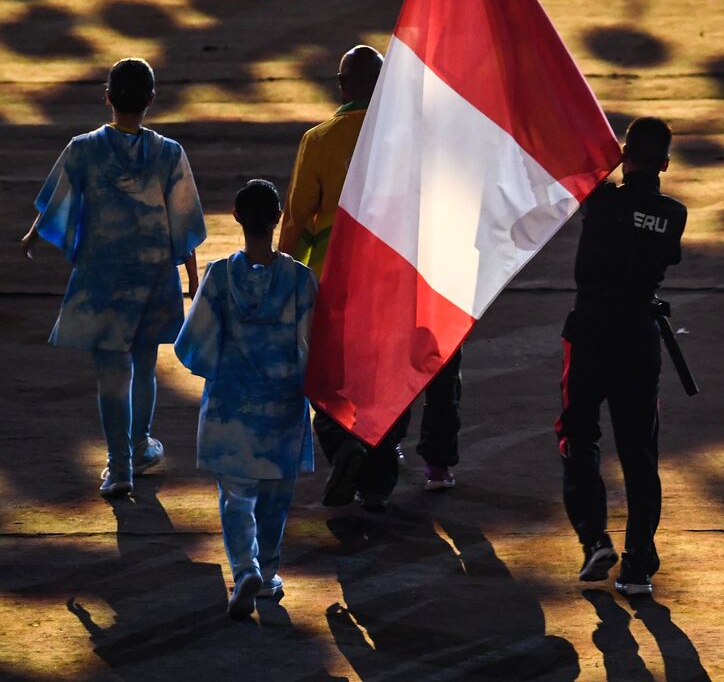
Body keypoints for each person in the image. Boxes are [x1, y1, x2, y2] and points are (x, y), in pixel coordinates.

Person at [279, 45, 462, 504]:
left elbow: (298, 221)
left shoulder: (319, 141)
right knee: (391, 384)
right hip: (401, 286)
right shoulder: (416, 140)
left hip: (338, 288)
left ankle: (345, 448)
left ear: (342, 86)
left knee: (329, 383)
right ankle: (378, 479)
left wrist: (283, 275)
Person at [19, 58, 206, 498]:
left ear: (107, 97)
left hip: (102, 279)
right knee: (144, 366)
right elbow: (184, 222)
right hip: (153, 274)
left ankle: (118, 466)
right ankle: (140, 446)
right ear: (151, 101)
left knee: (110, 374)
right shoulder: (169, 153)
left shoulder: (84, 148)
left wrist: (32, 235)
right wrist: (193, 276)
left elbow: (56, 203)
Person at [175, 180, 317, 619]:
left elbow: (193, 343)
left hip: (231, 405)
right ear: (278, 219)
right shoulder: (300, 279)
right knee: (276, 496)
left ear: (236, 217)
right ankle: (269, 571)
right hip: (283, 405)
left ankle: (245, 566)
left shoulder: (219, 276)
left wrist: (220, 369)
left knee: (236, 495)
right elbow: (312, 346)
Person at [556, 117, 686, 597]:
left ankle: (594, 538)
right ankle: (638, 566)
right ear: (666, 164)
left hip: (589, 331)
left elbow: (581, 162)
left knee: (578, 435)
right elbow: (665, 254)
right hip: (638, 337)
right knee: (638, 451)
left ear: (624, 156)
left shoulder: (601, 198)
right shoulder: (674, 214)